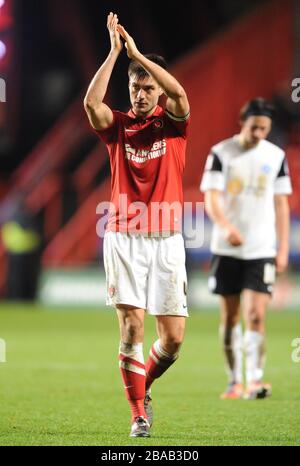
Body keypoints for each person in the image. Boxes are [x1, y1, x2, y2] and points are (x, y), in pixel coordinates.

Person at [84, 13, 190, 437]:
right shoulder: (120, 127)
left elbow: (180, 93)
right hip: (124, 237)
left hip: (167, 240)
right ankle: (138, 416)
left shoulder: (175, 123)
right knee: (132, 327)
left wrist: (139, 55)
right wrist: (114, 54)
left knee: (174, 341)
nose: (141, 93)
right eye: (135, 86)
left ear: (158, 89)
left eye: (148, 87)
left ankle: (142, 386)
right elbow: (92, 105)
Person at [200, 98, 292, 400]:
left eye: (264, 129)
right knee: (229, 319)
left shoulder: (276, 156)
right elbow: (211, 198)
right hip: (227, 249)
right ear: (243, 122)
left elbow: (281, 205)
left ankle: (255, 379)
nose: (258, 135)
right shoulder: (221, 153)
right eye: (254, 128)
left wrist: (282, 250)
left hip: (261, 249)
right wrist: (226, 227)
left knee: (255, 316)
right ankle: (233, 381)